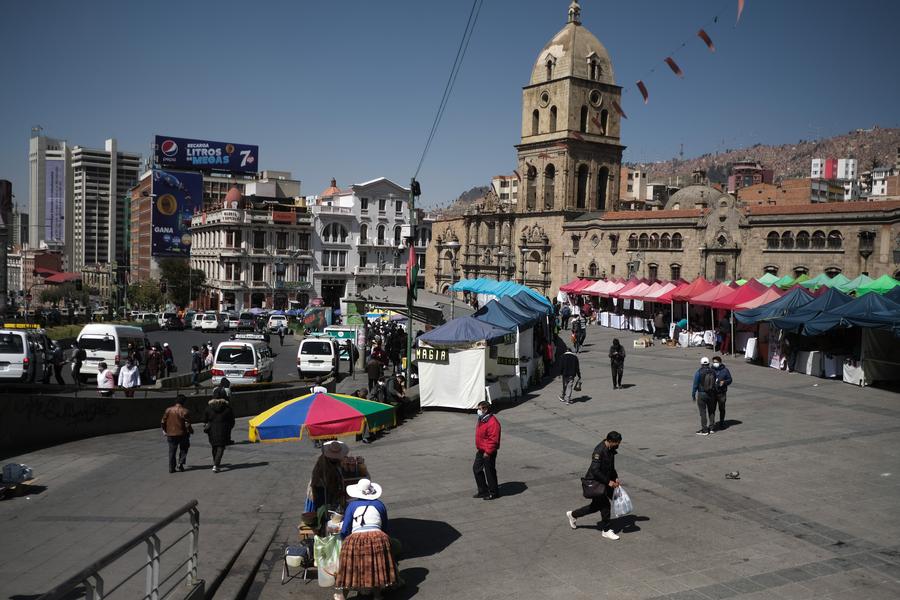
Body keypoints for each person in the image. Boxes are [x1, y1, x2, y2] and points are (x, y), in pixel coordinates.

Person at [334, 478, 399, 600]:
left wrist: (344, 540)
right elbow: (384, 526)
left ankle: (342, 594)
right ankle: (377, 594)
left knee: (349, 565)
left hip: (356, 538)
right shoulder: (380, 504)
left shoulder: (352, 505)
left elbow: (346, 528)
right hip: (378, 537)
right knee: (375, 564)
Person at [566, 431, 622, 540]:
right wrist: (609, 482)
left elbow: (611, 467)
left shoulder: (611, 449)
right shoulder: (599, 451)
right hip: (595, 482)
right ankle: (606, 530)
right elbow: (595, 470)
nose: (618, 445)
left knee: (595, 506)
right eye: (617, 443)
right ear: (610, 441)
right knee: (605, 505)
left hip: (604, 481)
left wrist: (615, 477)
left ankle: (573, 515)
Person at [473, 400, 501, 500]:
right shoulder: (482, 419)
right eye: (478, 408)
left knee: (489, 472)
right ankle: (483, 491)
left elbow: (493, 439)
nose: (479, 411)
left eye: (480, 409)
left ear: (486, 409)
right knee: (476, 469)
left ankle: (494, 493)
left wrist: (488, 452)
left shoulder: (493, 422)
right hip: (481, 449)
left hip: (488, 451)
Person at [310, 440, 348, 511]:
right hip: (322, 489)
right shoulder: (325, 465)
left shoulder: (332, 461)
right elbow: (330, 482)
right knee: (324, 508)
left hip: (326, 488)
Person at [205, 388, 235, 472]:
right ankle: (216, 464)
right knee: (221, 447)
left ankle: (215, 463)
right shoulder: (227, 408)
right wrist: (229, 428)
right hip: (223, 430)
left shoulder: (208, 408)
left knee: (214, 446)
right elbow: (232, 421)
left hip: (211, 431)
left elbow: (204, 419)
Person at [162, 395, 193, 473]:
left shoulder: (168, 410)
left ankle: (171, 468)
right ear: (184, 402)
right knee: (184, 449)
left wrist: (164, 430)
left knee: (172, 451)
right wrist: (191, 430)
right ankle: (180, 463)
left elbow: (163, 421)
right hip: (183, 433)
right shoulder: (185, 411)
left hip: (171, 433)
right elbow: (187, 424)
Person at [691, 357, 718, 435]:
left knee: (703, 412)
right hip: (711, 394)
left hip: (702, 394)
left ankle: (705, 430)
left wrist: (693, 394)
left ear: (701, 364)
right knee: (711, 411)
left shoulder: (698, 372)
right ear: (709, 363)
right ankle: (712, 428)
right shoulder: (713, 372)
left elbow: (695, 384)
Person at [711, 356, 733, 431]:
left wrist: (724, 382)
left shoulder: (725, 370)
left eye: (716, 362)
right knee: (712, 409)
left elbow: (730, 380)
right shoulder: (711, 370)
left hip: (722, 393)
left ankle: (722, 422)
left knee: (722, 408)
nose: (715, 363)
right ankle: (712, 424)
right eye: (714, 362)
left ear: (720, 362)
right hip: (713, 393)